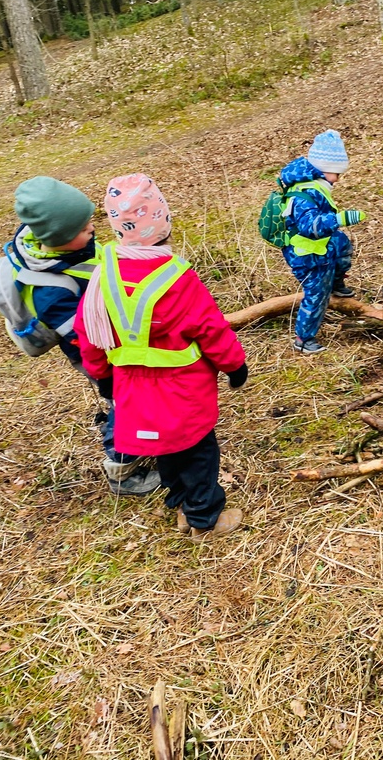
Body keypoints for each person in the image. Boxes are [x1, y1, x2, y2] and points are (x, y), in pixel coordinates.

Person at [75, 173, 248, 542]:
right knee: (198, 452)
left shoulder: (104, 274)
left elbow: (87, 332)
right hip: (184, 391)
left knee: (165, 449)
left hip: (133, 391)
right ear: (163, 222)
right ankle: (204, 519)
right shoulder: (179, 278)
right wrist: (235, 365)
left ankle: (181, 504)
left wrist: (102, 375)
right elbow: (211, 329)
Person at [11, 176, 159, 496]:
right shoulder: (51, 294)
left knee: (134, 395)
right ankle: (122, 470)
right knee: (126, 402)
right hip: (99, 353)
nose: (92, 228)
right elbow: (85, 339)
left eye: (89, 221)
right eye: (82, 228)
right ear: (59, 237)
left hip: (115, 338)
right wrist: (110, 371)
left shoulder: (72, 248)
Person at [279, 130, 366, 354]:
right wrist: (340, 219)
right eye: (335, 173)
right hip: (306, 255)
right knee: (317, 295)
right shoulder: (303, 194)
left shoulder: (316, 186)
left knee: (342, 243)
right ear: (322, 169)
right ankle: (303, 339)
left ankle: (336, 283)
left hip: (320, 247)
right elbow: (311, 227)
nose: (337, 179)